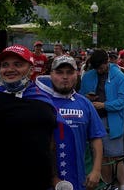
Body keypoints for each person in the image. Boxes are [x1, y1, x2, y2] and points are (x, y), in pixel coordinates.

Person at [0, 45, 60, 189]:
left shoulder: (43, 98)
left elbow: (51, 140)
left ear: (31, 69)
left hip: (40, 180)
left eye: (18, 64)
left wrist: (53, 176)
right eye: (5, 65)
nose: (10, 69)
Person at [36, 55, 106, 190]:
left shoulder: (85, 103)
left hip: (78, 179)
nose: (65, 77)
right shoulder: (39, 102)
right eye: (59, 72)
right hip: (45, 180)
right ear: (50, 74)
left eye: (70, 72)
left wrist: (96, 170)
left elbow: (96, 138)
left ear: (77, 74)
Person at [80, 49, 124, 190]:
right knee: (100, 157)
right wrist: (87, 97)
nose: (99, 70)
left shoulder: (119, 76)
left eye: (101, 67)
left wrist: (104, 105)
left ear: (107, 62)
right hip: (93, 121)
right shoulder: (88, 75)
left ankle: (123, 186)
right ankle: (108, 186)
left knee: (116, 157)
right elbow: (80, 96)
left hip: (112, 122)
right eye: (96, 68)